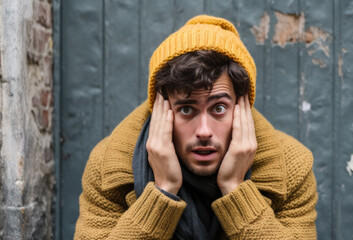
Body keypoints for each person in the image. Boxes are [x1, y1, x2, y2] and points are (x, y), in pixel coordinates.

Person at [74, 15, 318, 240]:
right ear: (161, 110)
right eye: (187, 109)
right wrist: (162, 192)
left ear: (242, 107)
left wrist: (236, 191)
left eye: (219, 108)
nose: (204, 131)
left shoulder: (292, 168)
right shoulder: (110, 167)